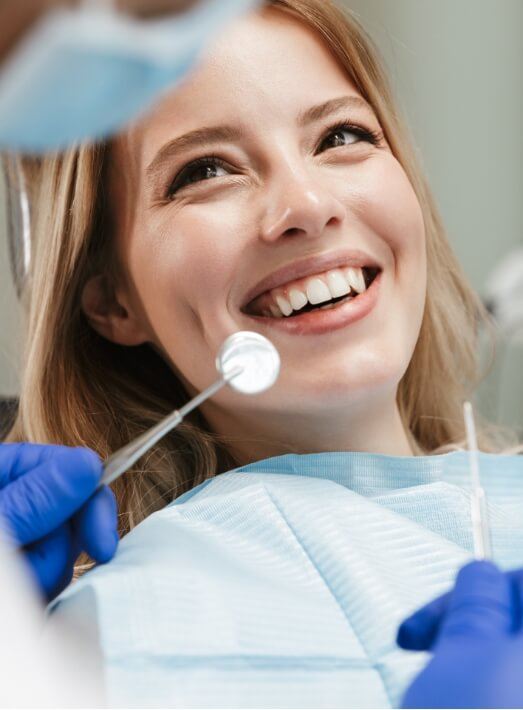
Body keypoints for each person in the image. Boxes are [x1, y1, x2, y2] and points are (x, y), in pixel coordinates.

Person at [3, 0, 523, 706]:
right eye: (205, 170)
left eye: (341, 134)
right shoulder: (78, 648)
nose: (306, 205)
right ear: (111, 303)